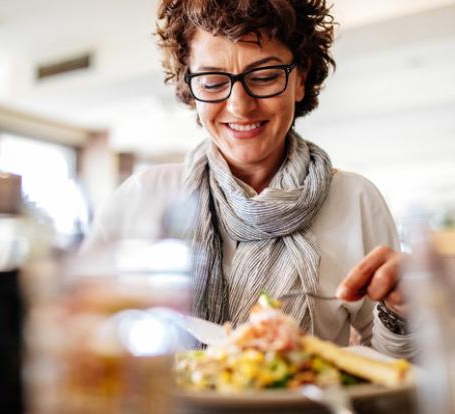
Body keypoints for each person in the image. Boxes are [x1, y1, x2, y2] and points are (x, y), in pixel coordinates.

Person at [83, 0, 414, 358]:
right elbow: (80, 331)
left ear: (300, 79)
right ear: (191, 88)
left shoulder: (355, 199)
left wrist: (403, 314)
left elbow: (389, 368)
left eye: (265, 76)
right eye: (212, 82)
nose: (240, 106)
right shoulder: (142, 197)